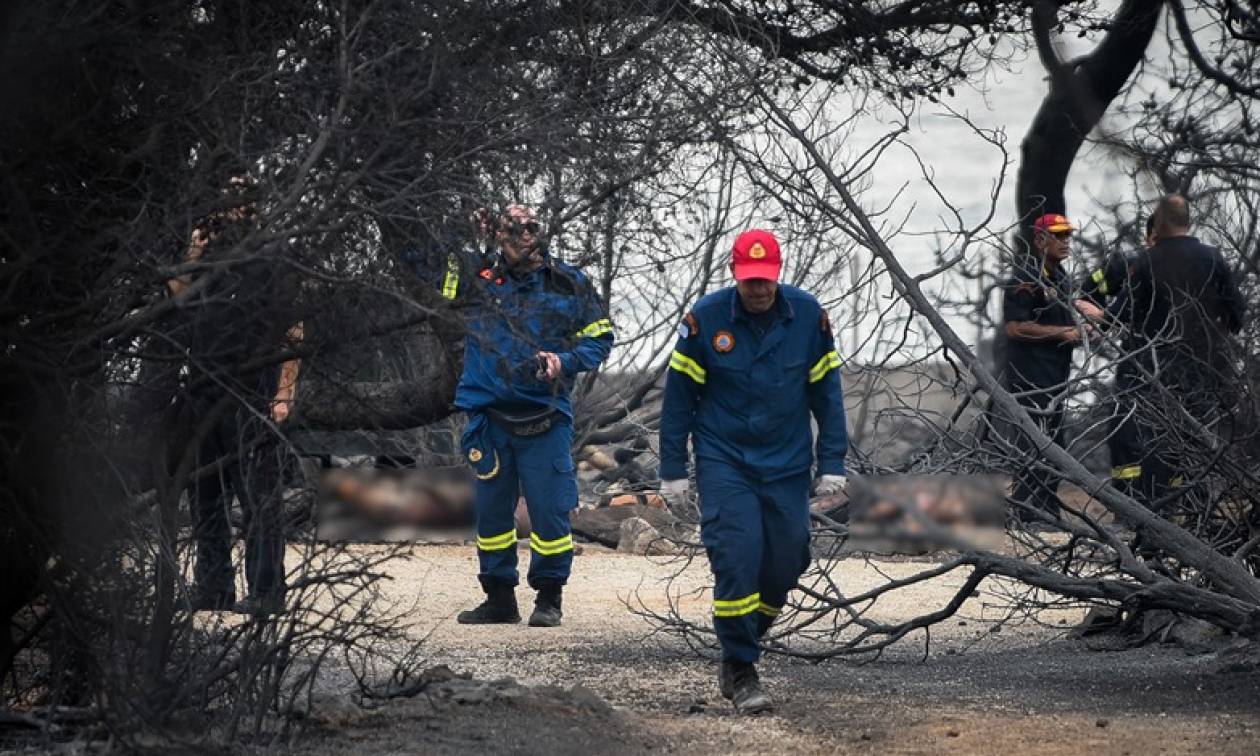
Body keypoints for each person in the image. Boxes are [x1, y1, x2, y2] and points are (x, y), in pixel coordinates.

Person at [657, 229, 848, 715]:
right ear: (733, 275)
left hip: (785, 464)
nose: (758, 289)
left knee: (788, 558)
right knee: (737, 556)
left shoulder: (807, 317)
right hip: (726, 460)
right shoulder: (705, 320)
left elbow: (828, 398)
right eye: (749, 281)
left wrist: (833, 466)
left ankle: (745, 638)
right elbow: (678, 400)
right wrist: (673, 471)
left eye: (765, 280)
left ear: (778, 273)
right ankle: (741, 669)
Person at [411, 205, 614, 628]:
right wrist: (459, 228)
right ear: (498, 235)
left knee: (551, 512)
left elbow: (600, 337)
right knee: (491, 516)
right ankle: (499, 598)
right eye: (514, 228)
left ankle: (549, 598)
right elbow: (434, 277)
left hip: (545, 418)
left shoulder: (568, 282)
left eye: (532, 227)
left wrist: (564, 361)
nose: (525, 235)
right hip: (490, 419)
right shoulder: (478, 278)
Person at [170, 177, 303, 616]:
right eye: (226, 198)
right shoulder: (208, 259)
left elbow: (293, 328)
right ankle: (214, 587)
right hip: (203, 390)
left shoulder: (270, 257)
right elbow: (175, 298)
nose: (232, 207)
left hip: (252, 393)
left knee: (258, 498)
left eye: (242, 198)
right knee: (205, 494)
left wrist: (284, 393)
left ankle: (267, 590)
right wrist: (194, 250)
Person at [1102, 194, 1243, 512]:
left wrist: (1091, 311)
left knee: (1152, 439)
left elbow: (1118, 314)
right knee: (1198, 439)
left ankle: (1156, 515)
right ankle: (1197, 513)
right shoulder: (1213, 258)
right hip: (1202, 368)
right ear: (1188, 221)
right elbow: (1236, 317)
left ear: (1160, 222)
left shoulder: (1148, 261)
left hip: (1154, 369)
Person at [1000, 213, 1094, 525]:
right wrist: (1062, 334)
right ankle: (1029, 514)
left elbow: (1063, 323)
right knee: (1033, 444)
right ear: (1041, 240)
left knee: (1054, 443)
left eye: (1068, 235)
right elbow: (1015, 328)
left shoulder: (1062, 278)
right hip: (1030, 379)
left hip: (1056, 379)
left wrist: (1082, 330)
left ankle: (1047, 510)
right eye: (1059, 235)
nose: (1066, 241)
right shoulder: (1025, 277)